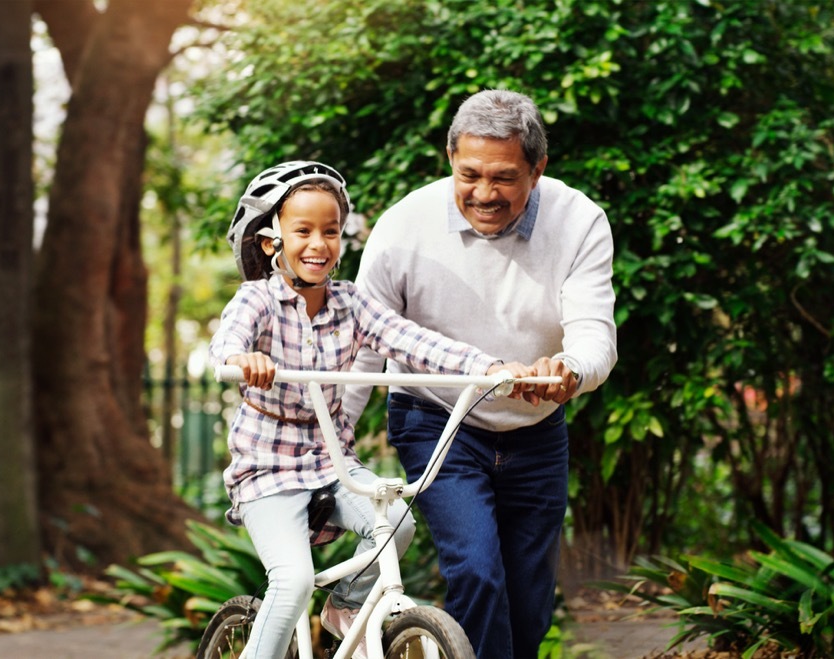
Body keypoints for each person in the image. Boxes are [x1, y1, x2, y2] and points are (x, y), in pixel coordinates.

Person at [343, 89, 618, 658]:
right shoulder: (403, 227)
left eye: (505, 178)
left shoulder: (580, 220)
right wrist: (335, 449)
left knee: (530, 599)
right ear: (450, 158)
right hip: (437, 419)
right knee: (476, 571)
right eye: (470, 174)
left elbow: (595, 334)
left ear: (537, 169)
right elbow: (366, 346)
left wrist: (569, 369)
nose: (484, 194)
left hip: (537, 428)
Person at [210, 160, 513, 659]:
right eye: (302, 230)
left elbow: (410, 341)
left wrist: (489, 367)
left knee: (399, 520)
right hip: (266, 470)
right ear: (271, 241)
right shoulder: (256, 301)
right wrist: (242, 359)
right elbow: (225, 345)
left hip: (331, 465)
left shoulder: (351, 303)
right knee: (292, 581)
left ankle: (346, 605)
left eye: (330, 231)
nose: (319, 244)